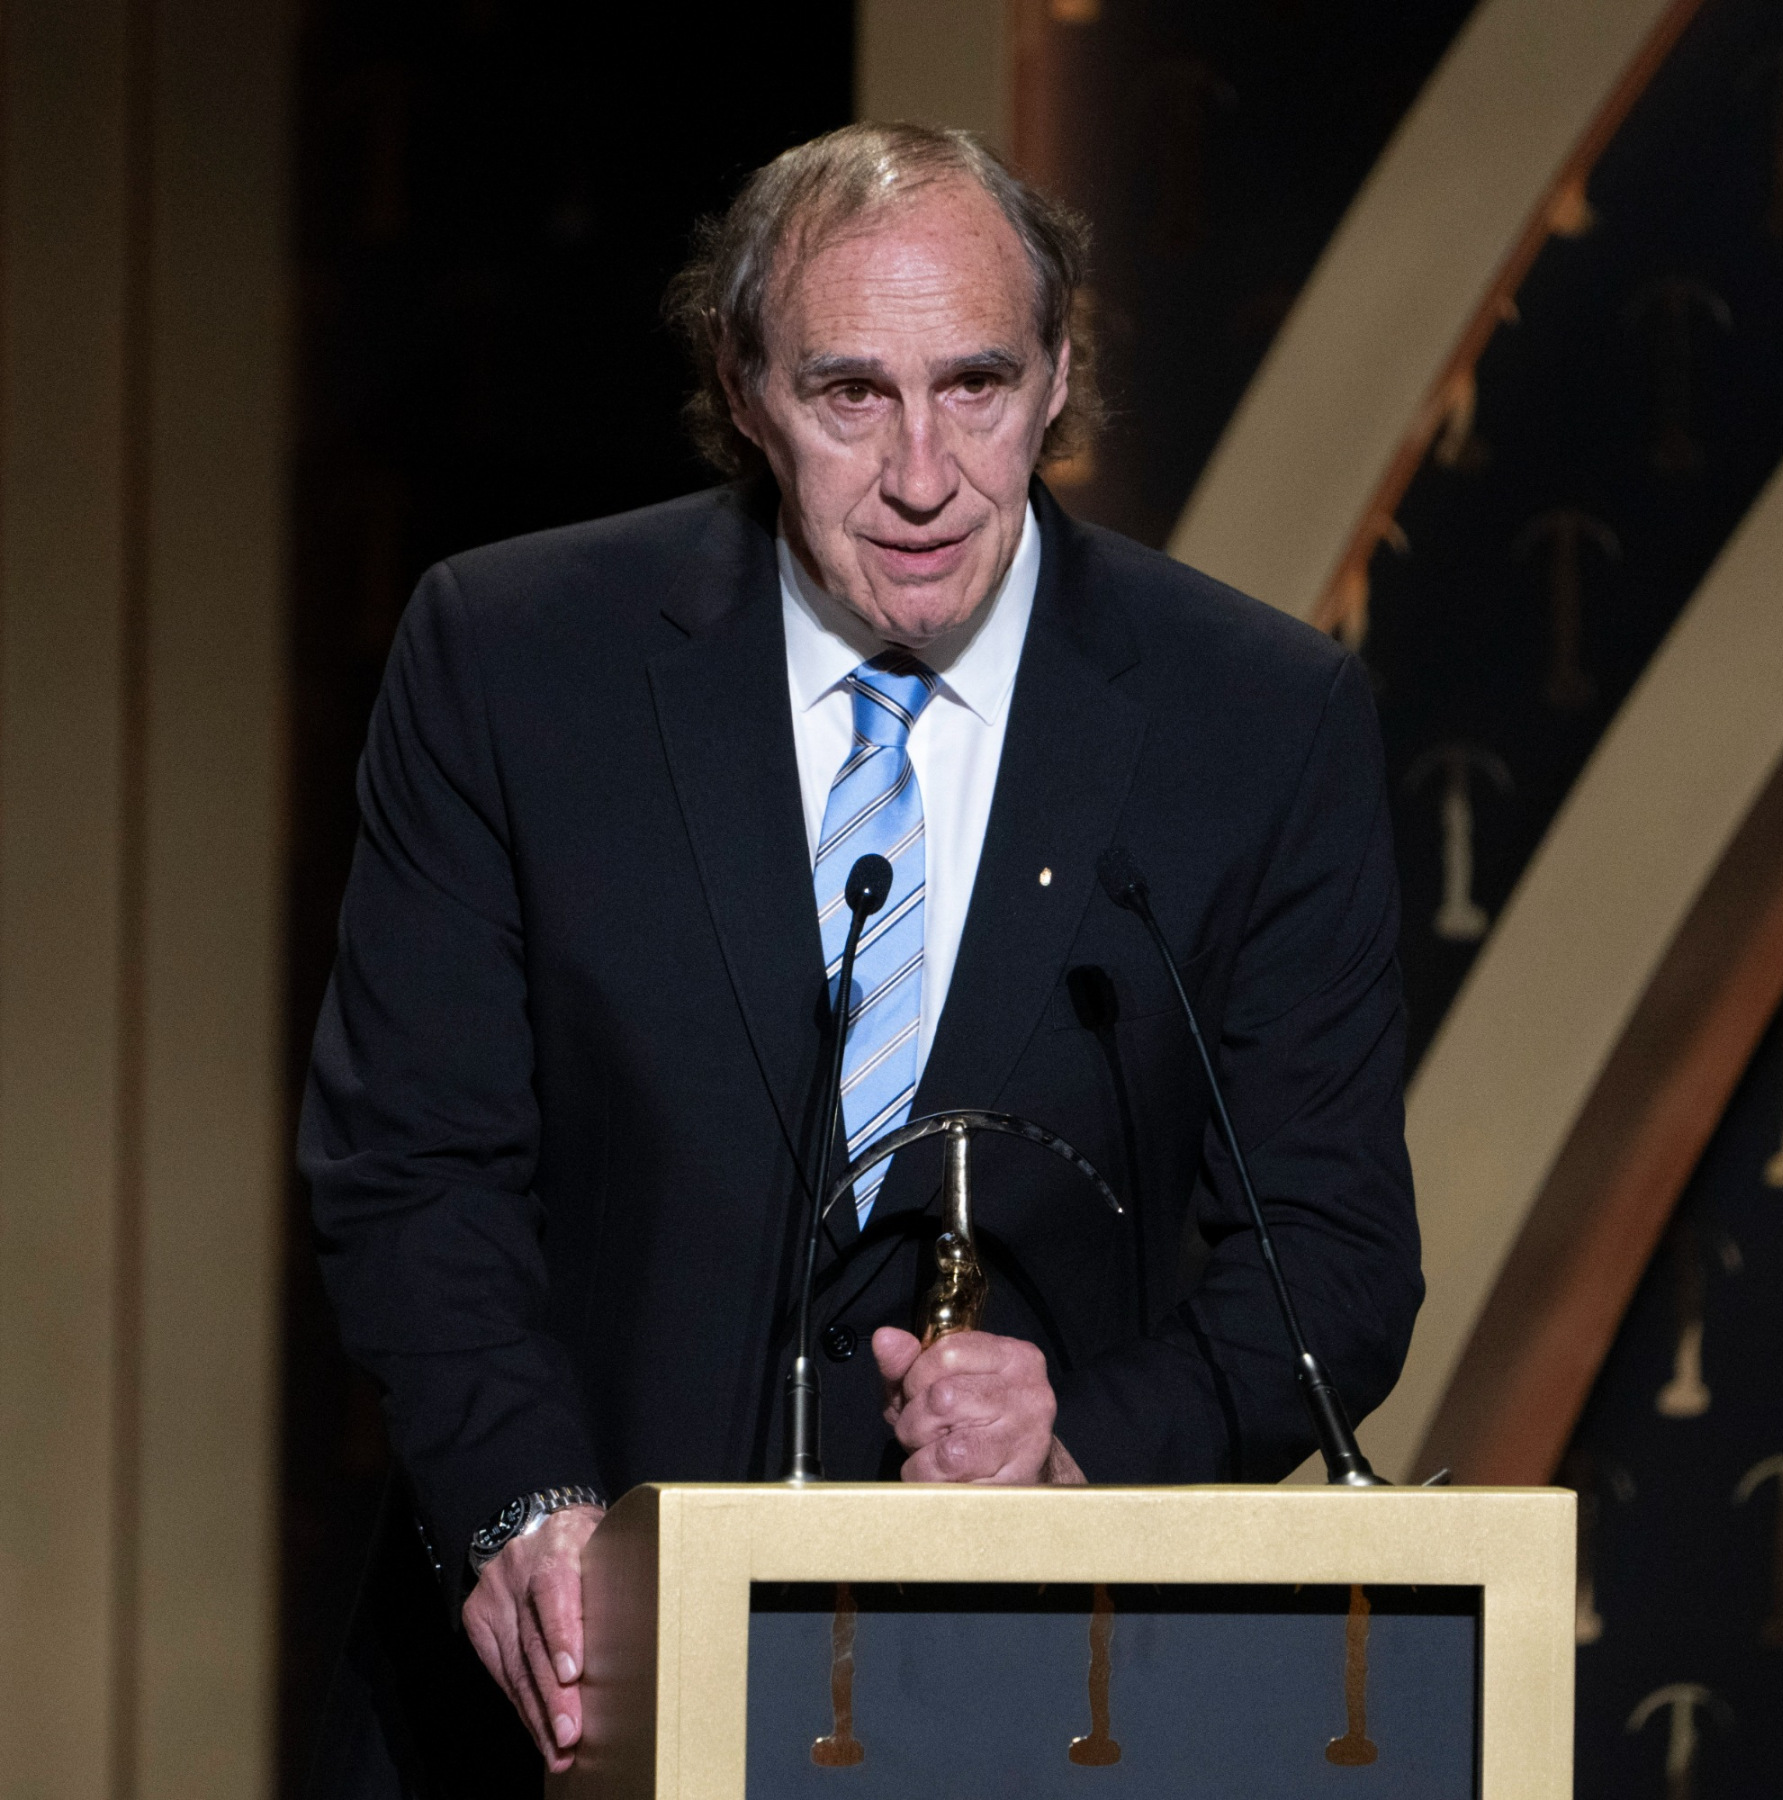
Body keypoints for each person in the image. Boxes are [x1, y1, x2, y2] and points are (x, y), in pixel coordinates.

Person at [300, 122, 1421, 1798]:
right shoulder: (516, 663)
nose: (921, 473)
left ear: (1058, 376)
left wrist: (1084, 1441)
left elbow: (1333, 1253)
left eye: (976, 386)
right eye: (849, 395)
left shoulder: (1255, 721)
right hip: (560, 1704)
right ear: (745, 393)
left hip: (1033, 1708)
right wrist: (527, 1512)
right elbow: (412, 1167)